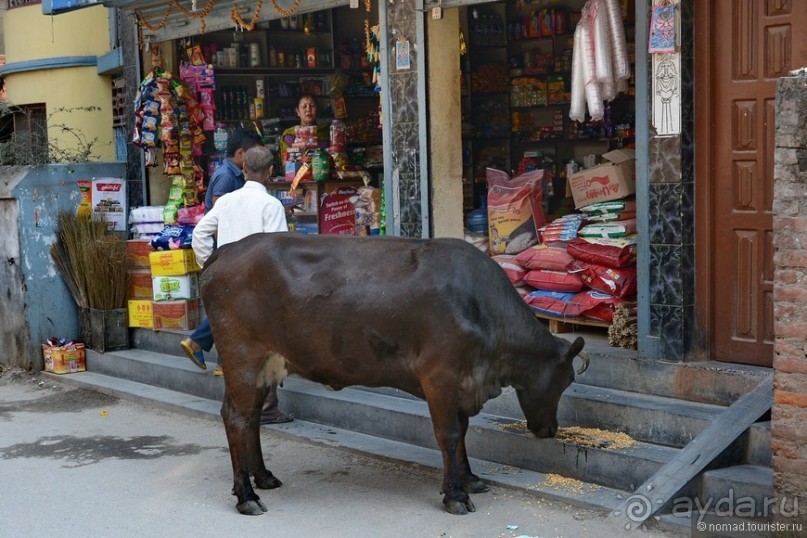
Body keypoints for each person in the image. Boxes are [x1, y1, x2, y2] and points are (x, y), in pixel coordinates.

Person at [181, 146, 293, 424]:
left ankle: (245, 407)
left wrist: (211, 266)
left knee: (236, 349)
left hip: (228, 285)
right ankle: (266, 408)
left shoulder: (227, 202)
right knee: (265, 347)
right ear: (270, 172)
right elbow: (277, 252)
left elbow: (200, 234)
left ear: (244, 169)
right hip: (258, 287)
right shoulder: (271, 205)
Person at [183, 127, 262, 377]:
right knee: (229, 308)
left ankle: (217, 359)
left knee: (231, 308)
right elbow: (219, 219)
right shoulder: (226, 177)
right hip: (227, 253)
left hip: (232, 254)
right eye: (252, 155)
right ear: (241, 153)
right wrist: (221, 257)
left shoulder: (236, 175)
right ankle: (198, 343)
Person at [278, 94, 330, 160]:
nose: (308, 109)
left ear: (317, 110)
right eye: (304, 106)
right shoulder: (289, 135)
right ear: (297, 112)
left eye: (312, 106)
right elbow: (287, 162)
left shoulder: (326, 133)